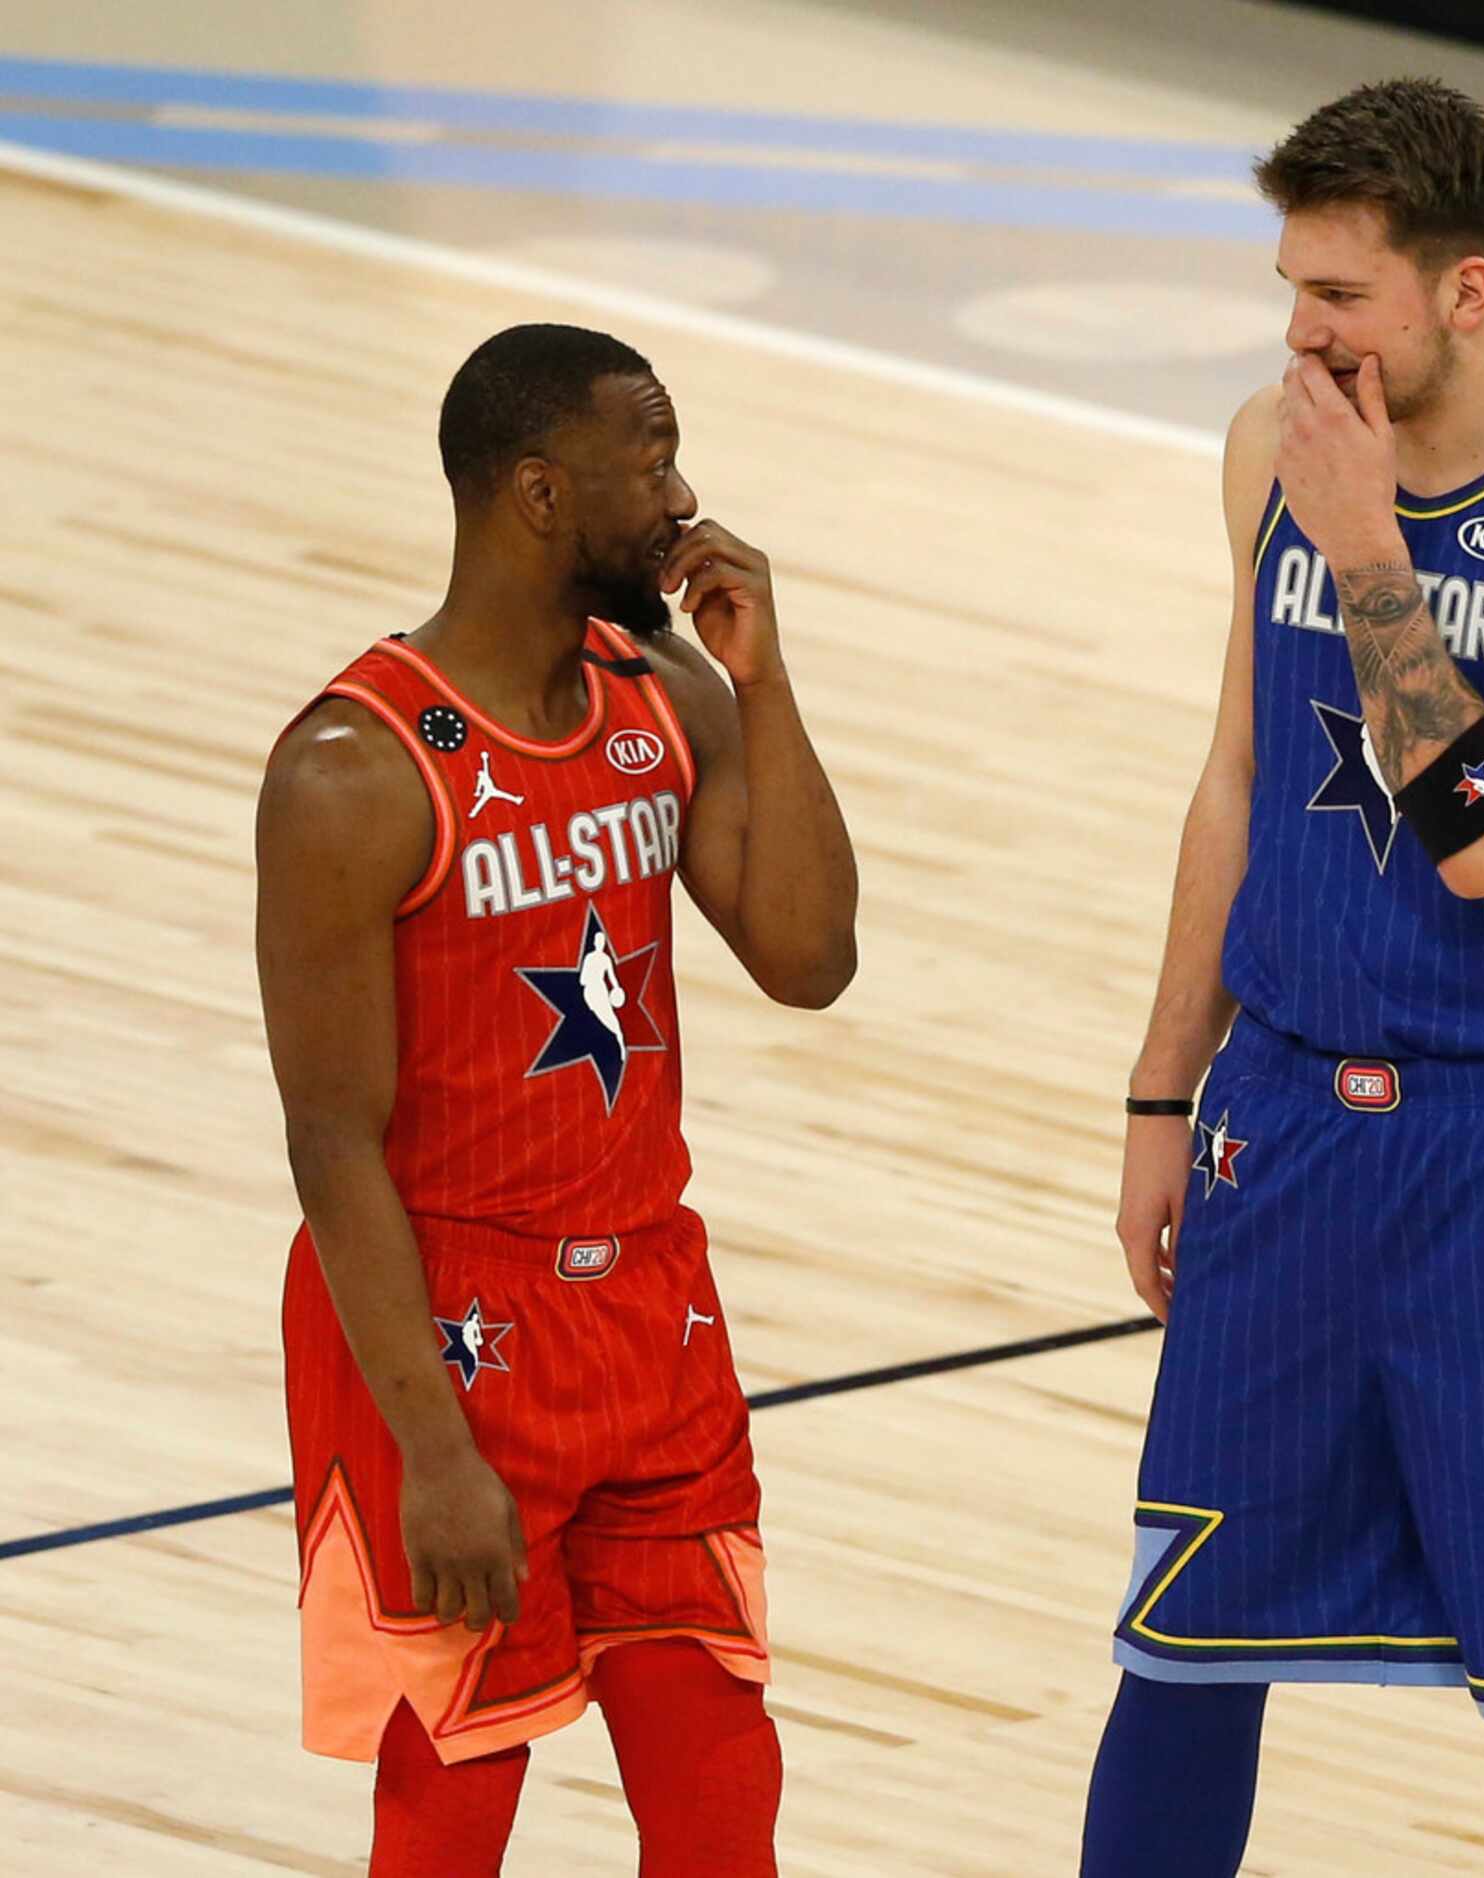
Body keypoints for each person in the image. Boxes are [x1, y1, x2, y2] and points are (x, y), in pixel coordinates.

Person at [1081, 79, 1484, 1878]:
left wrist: (1370, 543)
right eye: (1291, 287)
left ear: (1466, 291)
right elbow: (1235, 775)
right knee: (1182, 1638)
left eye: (1341, 295)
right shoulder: (1268, 449)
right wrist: (1161, 1092)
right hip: (1285, 1118)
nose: (1301, 333)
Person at [256, 323, 857, 1876]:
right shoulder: (354, 768)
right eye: (649, 461)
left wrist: (764, 679)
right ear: (537, 492)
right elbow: (330, 1144)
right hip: (448, 1326)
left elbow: (808, 955)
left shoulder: (661, 689)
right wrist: (434, 1450)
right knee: (454, 1807)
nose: (683, 496)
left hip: (650, 1304)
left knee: (722, 1787)